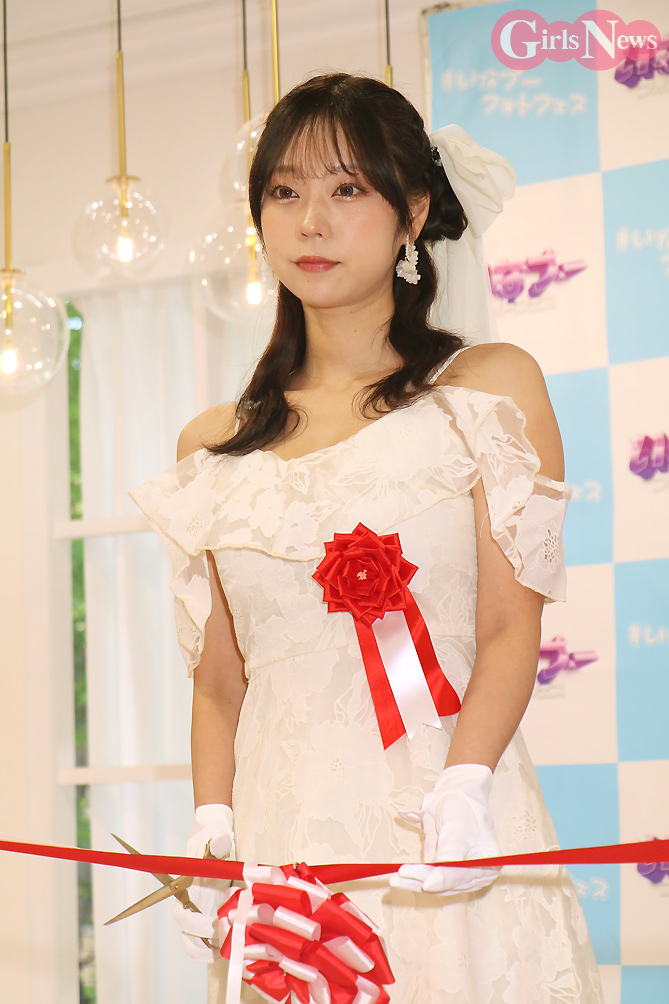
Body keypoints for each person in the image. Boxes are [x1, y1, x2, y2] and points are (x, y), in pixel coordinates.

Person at [130, 73, 603, 1003]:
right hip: (286, 851)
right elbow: (220, 683)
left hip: (447, 827)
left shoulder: (487, 389)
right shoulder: (209, 448)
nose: (311, 221)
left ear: (410, 213)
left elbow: (509, 626)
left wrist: (465, 787)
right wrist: (213, 827)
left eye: (346, 189)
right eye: (284, 191)